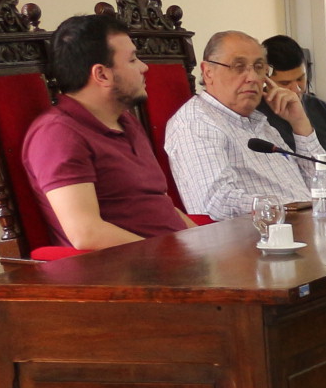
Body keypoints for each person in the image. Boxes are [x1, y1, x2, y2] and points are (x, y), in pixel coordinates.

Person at [20, 13, 195, 251]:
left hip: (174, 260)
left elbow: (160, 204)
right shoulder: (57, 134)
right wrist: (172, 255)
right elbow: (86, 233)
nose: (144, 67)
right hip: (130, 268)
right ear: (102, 75)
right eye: (133, 60)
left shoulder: (126, 121)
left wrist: (202, 243)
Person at [165, 29, 326, 217]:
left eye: (259, 67)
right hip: (266, 231)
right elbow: (216, 203)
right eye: (238, 66)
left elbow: (322, 186)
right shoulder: (197, 122)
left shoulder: (259, 123)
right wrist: (283, 207)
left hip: (309, 222)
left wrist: (300, 123)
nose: (253, 78)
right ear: (208, 72)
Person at [260, 35, 326, 155]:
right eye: (285, 83)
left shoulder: (322, 109)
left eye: (300, 78)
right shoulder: (252, 114)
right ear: (264, 79)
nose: (296, 89)